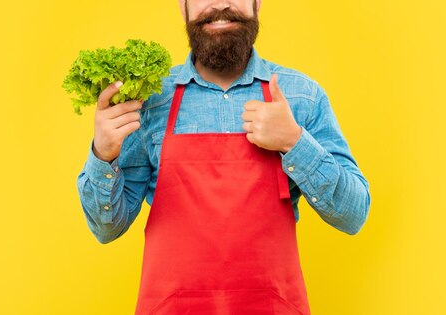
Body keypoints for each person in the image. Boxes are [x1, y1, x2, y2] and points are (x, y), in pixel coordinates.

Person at [76, 0, 371, 313]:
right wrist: (103, 155)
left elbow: (353, 215)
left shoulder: (300, 96)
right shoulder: (150, 102)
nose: (219, 4)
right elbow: (106, 228)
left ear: (257, 3)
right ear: (183, 6)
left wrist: (294, 141)